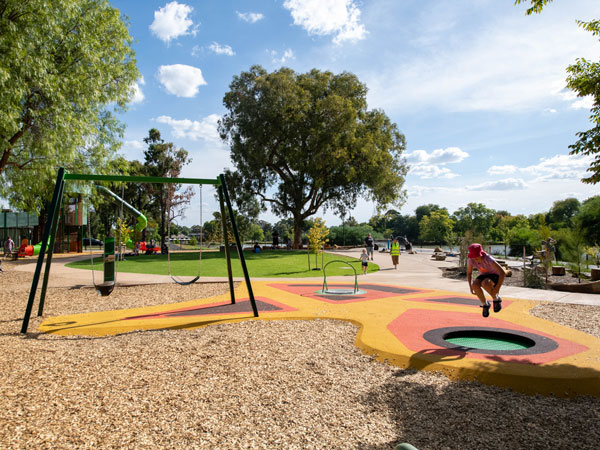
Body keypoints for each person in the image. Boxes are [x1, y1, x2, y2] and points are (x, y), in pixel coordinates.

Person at [467, 243, 505, 318]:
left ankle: (496, 299)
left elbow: (502, 273)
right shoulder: (471, 260)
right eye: (473, 257)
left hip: (495, 274)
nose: (475, 259)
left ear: (481, 254)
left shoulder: (488, 259)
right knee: (475, 285)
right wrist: (470, 287)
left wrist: (497, 288)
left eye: (477, 257)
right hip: (484, 274)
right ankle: (485, 304)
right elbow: (469, 273)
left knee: (485, 283)